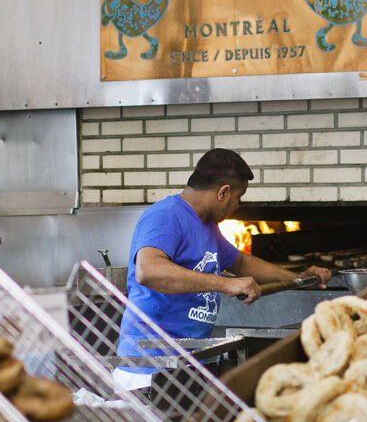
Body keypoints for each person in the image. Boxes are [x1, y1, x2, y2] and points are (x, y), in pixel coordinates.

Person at [113, 148, 332, 390]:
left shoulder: (207, 226)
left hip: (186, 365)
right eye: (238, 197)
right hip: (149, 370)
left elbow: (242, 263)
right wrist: (226, 284)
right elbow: (149, 270)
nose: (237, 205)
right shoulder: (166, 215)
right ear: (223, 192)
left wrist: (299, 277)